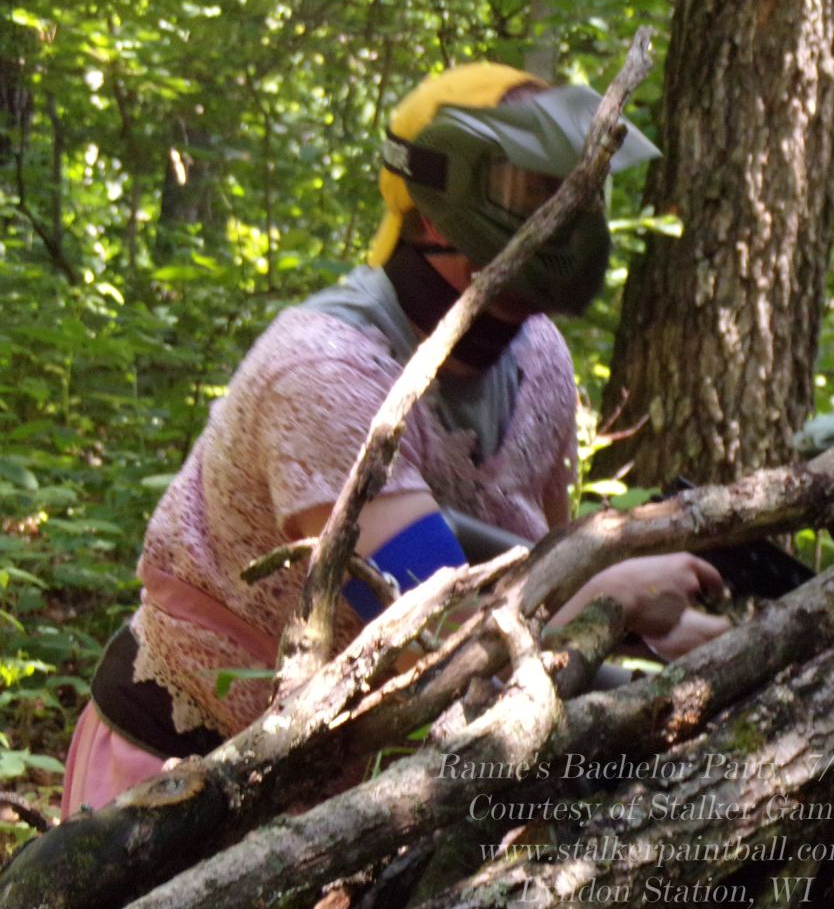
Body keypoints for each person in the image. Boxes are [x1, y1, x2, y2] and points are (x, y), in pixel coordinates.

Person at [60, 63, 731, 817]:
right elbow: (433, 633)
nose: (560, 219)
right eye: (528, 190)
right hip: (182, 776)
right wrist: (618, 610)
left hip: (363, 780)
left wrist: (675, 634)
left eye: (572, 191)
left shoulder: (538, 357)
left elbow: (536, 559)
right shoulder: (325, 370)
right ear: (433, 212)